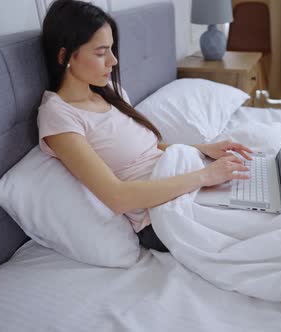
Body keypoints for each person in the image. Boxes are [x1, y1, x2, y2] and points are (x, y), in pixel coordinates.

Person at [38, 0, 253, 252]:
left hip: (180, 179)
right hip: (158, 215)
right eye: (100, 52)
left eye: (112, 50)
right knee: (263, 233)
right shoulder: (59, 115)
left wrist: (202, 150)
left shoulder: (109, 91)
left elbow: (146, 148)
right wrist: (206, 176)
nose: (113, 61)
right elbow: (117, 197)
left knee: (265, 198)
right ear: (64, 56)